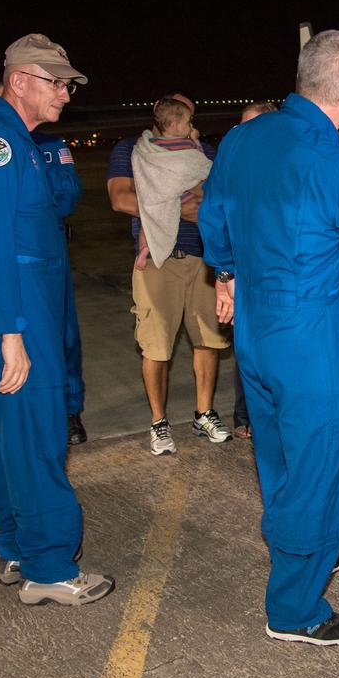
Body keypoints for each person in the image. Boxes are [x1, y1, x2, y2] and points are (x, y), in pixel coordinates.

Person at [199, 29, 339, 646]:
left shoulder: (240, 138)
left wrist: (230, 273)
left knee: (278, 455)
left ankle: (301, 548)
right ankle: (295, 607)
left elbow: (214, 219)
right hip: (305, 330)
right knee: (318, 460)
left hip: (254, 330)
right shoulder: (336, 163)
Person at [0, 33, 113, 606]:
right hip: (17, 304)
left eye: (69, 83)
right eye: (56, 81)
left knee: (16, 431)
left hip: (28, 299)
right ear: (19, 80)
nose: (66, 93)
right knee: (40, 429)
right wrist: (12, 333)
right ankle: (49, 568)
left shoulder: (18, 140)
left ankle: (15, 546)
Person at [107, 93, 232, 456]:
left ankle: (204, 412)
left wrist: (184, 206)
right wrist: (176, 207)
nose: (191, 123)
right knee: (156, 344)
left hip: (203, 259)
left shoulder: (203, 150)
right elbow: (120, 198)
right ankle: (159, 421)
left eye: (193, 115)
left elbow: (214, 197)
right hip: (157, 260)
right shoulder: (131, 150)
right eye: (184, 115)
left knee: (209, 339)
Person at [0, 81, 88, 446]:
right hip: (21, 254)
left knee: (64, 333)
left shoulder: (51, 146)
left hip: (50, 251)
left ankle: (70, 409)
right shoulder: (0, 144)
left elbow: (69, 191)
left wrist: (38, 216)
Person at [227, 101, 277, 440]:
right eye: (239, 127)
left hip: (282, 282)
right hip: (244, 277)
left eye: (251, 126)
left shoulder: (286, 168)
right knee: (247, 349)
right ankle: (245, 414)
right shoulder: (234, 171)